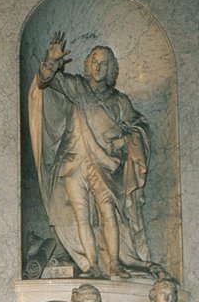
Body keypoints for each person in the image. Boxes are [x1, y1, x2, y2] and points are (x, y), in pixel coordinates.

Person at [28, 32, 151, 278]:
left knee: (108, 212)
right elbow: (47, 81)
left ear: (111, 68)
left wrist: (124, 139)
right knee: (80, 214)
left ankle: (114, 262)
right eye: (95, 61)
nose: (98, 67)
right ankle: (92, 265)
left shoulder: (119, 101)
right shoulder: (77, 86)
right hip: (74, 161)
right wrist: (51, 62)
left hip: (106, 164)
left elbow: (138, 126)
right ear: (88, 64)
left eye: (104, 63)